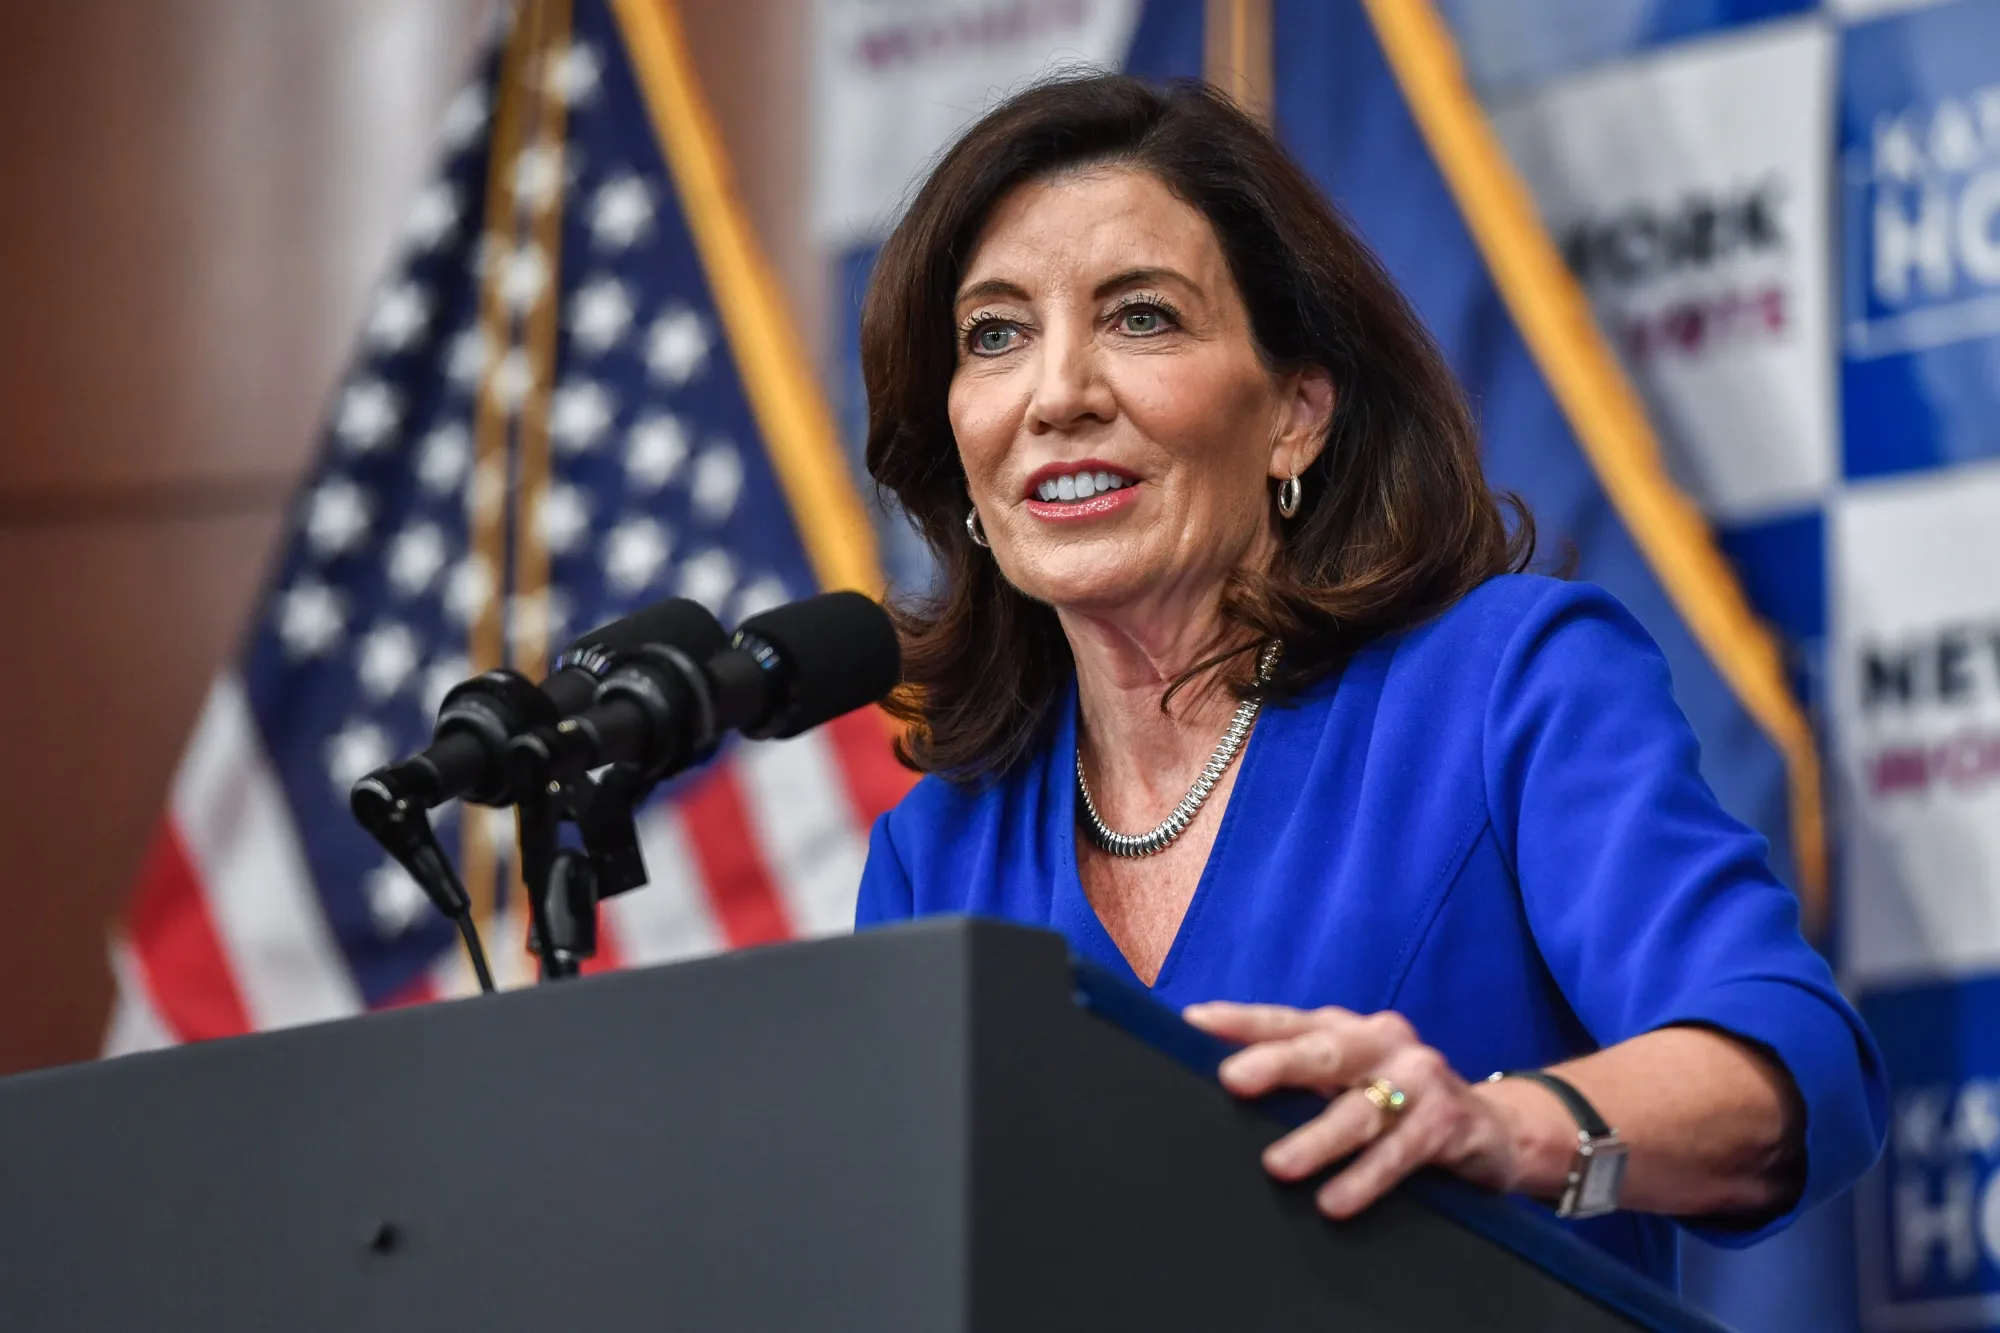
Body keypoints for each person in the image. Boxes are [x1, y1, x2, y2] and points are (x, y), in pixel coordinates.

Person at [851, 73, 1884, 1286]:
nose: (1056, 393)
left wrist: (1503, 1128)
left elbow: (1786, 1068)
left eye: (1140, 318)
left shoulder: (1501, 687)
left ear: (1296, 412)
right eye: (995, 334)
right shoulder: (940, 855)